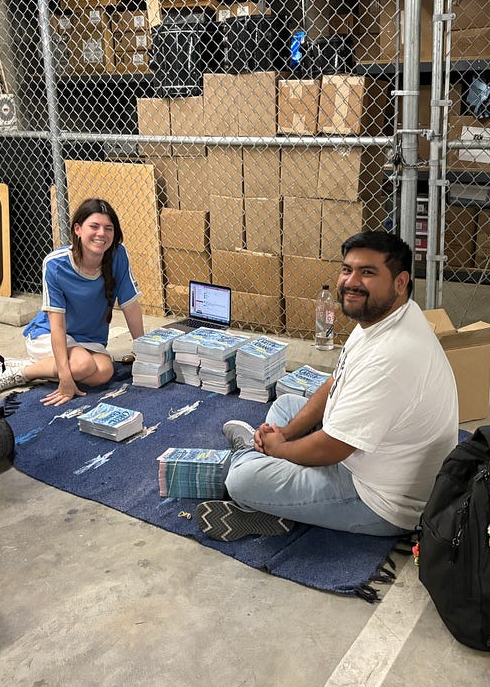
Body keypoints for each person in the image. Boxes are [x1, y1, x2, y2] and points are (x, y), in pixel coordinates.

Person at [196, 231, 459, 541]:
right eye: (347, 269)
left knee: (241, 480)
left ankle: (250, 463)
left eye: (368, 272)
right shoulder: (386, 317)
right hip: (372, 456)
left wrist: (281, 450)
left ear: (400, 282)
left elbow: (334, 447)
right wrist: (288, 434)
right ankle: (265, 467)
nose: (351, 281)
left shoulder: (391, 355)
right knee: (287, 405)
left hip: (376, 499)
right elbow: (336, 381)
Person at [0, 198, 145, 406]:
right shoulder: (56, 264)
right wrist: (65, 378)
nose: (101, 233)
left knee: (104, 372)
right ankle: (21, 372)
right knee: (82, 365)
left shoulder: (118, 255)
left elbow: (130, 305)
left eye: (108, 228)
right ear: (78, 229)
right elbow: (57, 325)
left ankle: (40, 366)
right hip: (48, 335)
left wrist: (145, 350)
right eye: (94, 226)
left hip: (88, 339)